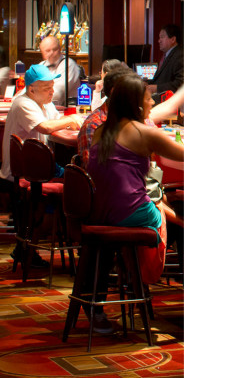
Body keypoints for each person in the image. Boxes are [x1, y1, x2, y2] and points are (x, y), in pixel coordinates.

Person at [85, 73, 184, 330]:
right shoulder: (142, 132)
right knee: (172, 217)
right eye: (149, 98)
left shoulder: (102, 130)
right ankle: (143, 278)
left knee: (162, 204)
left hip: (101, 213)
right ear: (137, 105)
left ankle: (130, 277)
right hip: (128, 214)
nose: (152, 103)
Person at [0, 63, 82, 267]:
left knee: (77, 175)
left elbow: (56, 122)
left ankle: (33, 244)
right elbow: (45, 127)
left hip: (36, 167)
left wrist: (69, 120)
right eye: (47, 88)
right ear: (31, 89)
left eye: (52, 86)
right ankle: (80, 240)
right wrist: (71, 119)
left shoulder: (43, 102)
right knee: (80, 181)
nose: (52, 91)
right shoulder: (23, 102)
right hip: (24, 172)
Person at [78, 63, 133, 164]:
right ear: (115, 92)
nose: (151, 101)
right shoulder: (94, 125)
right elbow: (94, 169)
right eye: (134, 92)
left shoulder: (139, 118)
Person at [36, 35, 80, 106]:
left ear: (60, 49)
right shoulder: (41, 65)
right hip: (45, 106)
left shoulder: (68, 64)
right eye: (47, 51)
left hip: (66, 108)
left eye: (55, 49)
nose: (51, 53)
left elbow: (58, 92)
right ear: (42, 52)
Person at [148, 23, 183, 101]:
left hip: (171, 101)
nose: (159, 41)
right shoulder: (167, 55)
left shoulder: (180, 55)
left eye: (162, 37)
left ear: (173, 39)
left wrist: (157, 88)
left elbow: (181, 83)